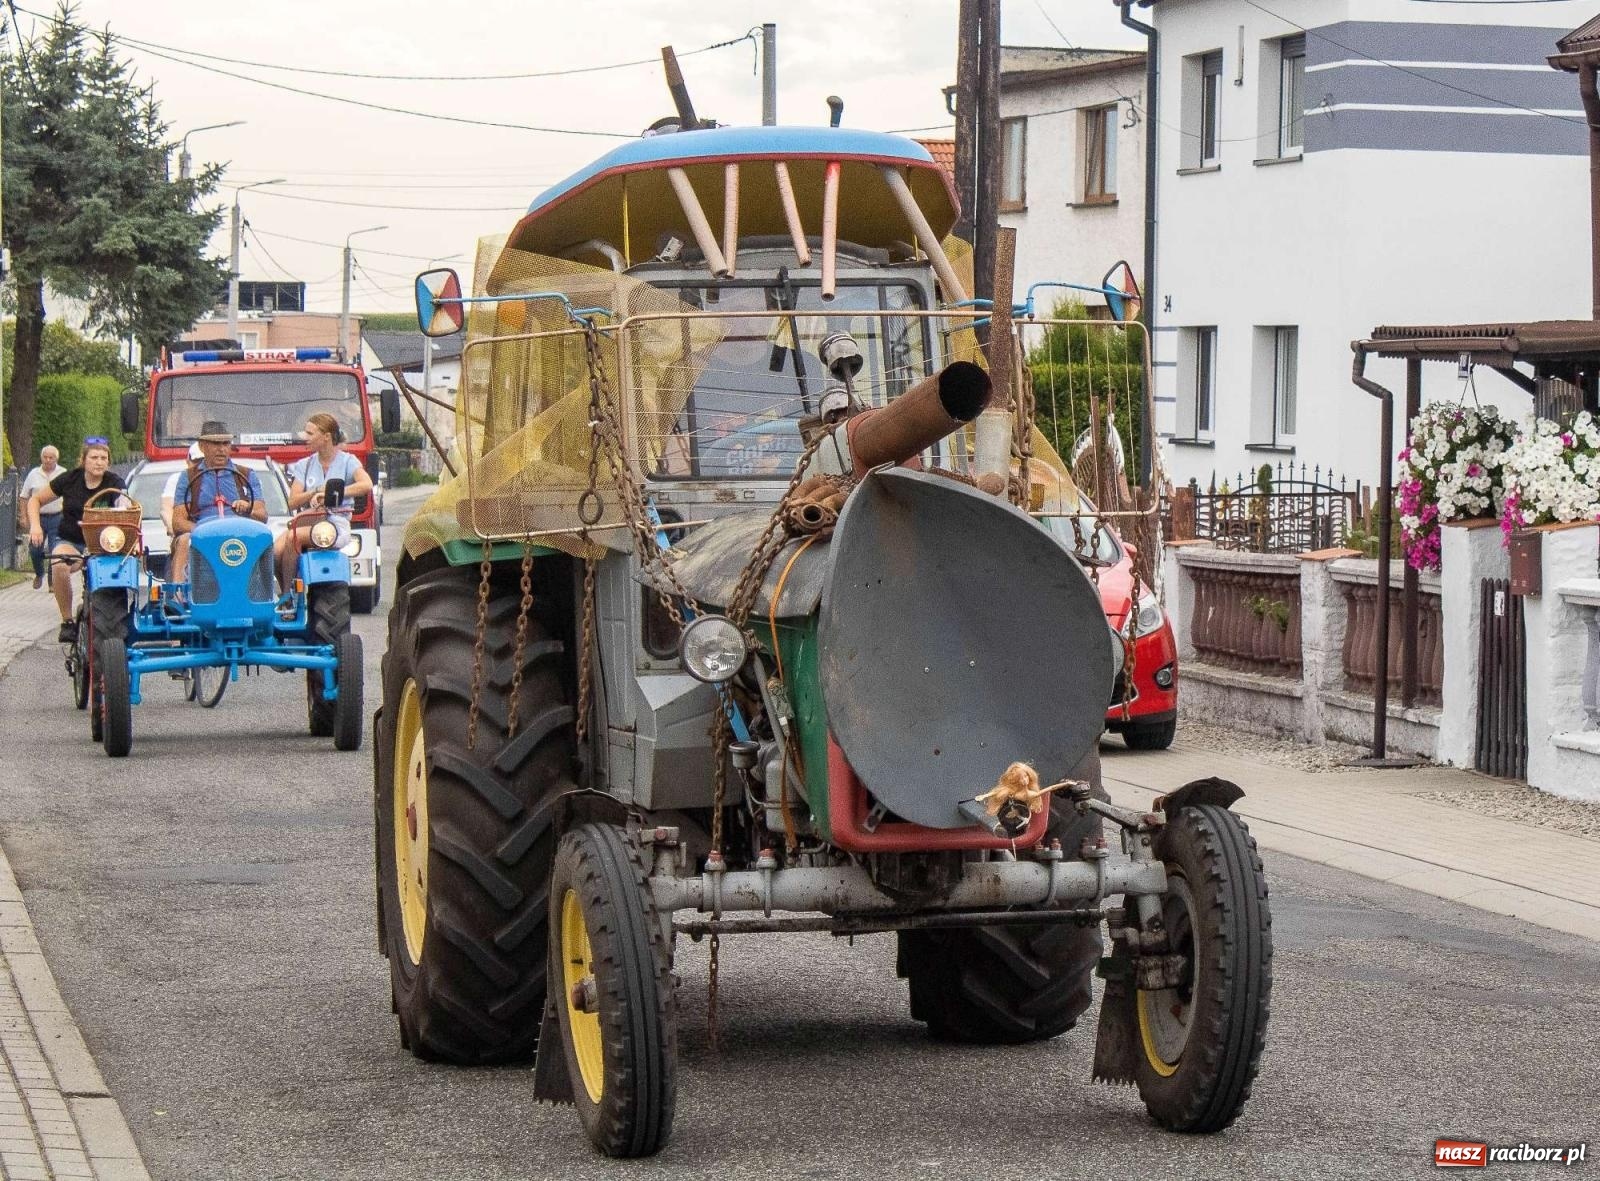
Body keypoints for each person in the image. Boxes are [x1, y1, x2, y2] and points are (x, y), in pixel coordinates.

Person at [26, 437, 128, 643]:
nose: (99, 462)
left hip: (102, 546)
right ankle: (67, 622)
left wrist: (122, 505)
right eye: (94, 457)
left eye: (103, 458)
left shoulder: (114, 482)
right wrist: (35, 526)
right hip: (71, 540)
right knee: (58, 564)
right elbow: (35, 499)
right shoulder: (69, 479)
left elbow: (123, 501)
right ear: (83, 460)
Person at [275, 412, 372, 590]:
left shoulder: (348, 461)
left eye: (310, 434)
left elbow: (366, 484)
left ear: (326, 437)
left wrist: (334, 493)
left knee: (292, 537)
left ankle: (288, 593)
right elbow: (292, 501)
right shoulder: (304, 464)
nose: (305, 438)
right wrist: (315, 491)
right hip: (310, 520)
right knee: (274, 551)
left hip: (336, 523)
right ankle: (285, 589)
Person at [168, 421, 267, 583]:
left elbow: (262, 516)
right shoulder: (188, 477)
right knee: (184, 540)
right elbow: (178, 522)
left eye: (226, 443)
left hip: (239, 533)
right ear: (202, 446)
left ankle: (262, 593)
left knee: (264, 540)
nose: (221, 449)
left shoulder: (247, 475)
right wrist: (205, 531)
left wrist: (248, 509)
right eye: (215, 444)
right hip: (201, 534)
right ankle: (179, 595)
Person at [19, 445, 64, 589]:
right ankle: (39, 573)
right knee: (34, 548)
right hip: (37, 518)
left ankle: (53, 583)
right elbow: (24, 497)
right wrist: (24, 516)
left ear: (56, 459)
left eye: (51, 457)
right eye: (45, 457)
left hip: (57, 516)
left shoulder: (63, 473)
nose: (48, 460)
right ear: (41, 458)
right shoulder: (33, 474)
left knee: (55, 550)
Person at [161, 442, 206, 532]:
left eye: (203, 461)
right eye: (196, 461)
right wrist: (172, 528)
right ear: (188, 461)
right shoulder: (176, 479)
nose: (199, 465)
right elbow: (166, 508)